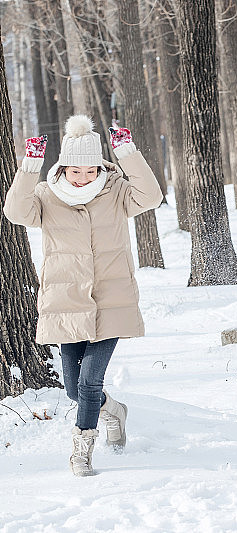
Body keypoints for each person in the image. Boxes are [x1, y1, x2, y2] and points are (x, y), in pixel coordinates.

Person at [3, 115, 163, 476]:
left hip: (111, 300)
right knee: (75, 391)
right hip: (67, 303)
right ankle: (114, 411)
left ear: (100, 167)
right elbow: (15, 212)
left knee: (90, 382)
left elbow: (151, 196)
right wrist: (30, 167)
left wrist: (127, 152)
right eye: (76, 171)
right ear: (63, 168)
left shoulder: (116, 190)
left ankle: (81, 451)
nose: (84, 177)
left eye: (91, 171)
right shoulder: (46, 194)